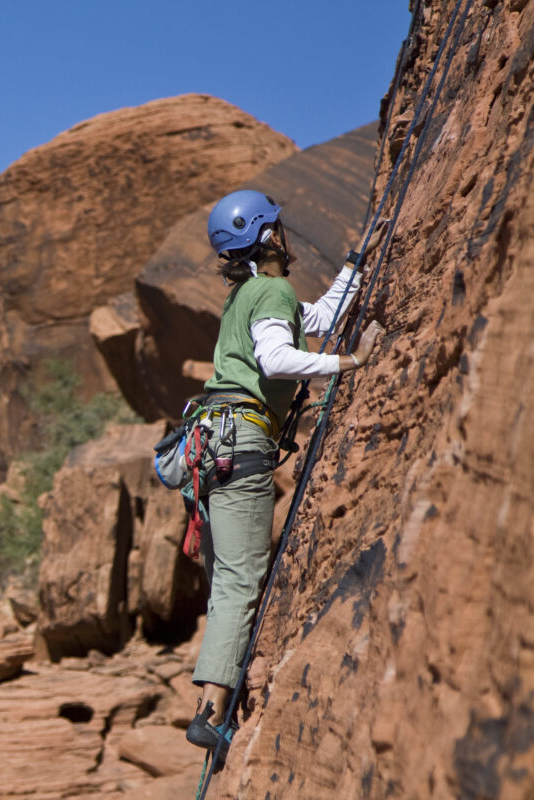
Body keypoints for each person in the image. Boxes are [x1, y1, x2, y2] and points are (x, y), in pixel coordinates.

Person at [184, 189, 385, 751]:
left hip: (211, 445)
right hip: (241, 445)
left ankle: (209, 702)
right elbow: (277, 359)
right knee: (240, 580)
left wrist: (353, 270)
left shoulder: (249, 294)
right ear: (268, 237)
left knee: (225, 578)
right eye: (280, 226)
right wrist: (349, 363)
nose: (287, 234)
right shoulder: (270, 288)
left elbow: (311, 320)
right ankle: (209, 712)